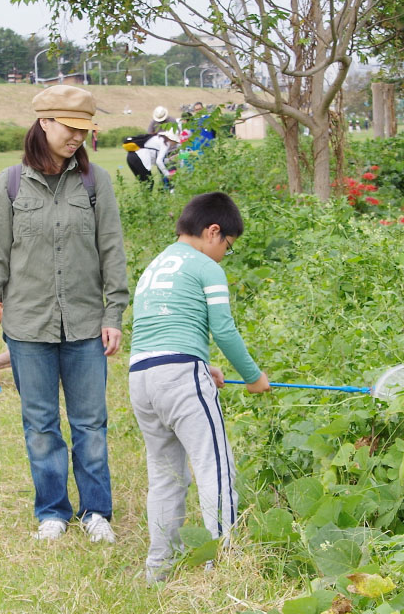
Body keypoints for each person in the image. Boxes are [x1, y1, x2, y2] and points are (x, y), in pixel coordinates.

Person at [0, 84, 128, 543]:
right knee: (40, 425)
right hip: (27, 326)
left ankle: (96, 511)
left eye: (85, 129)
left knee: (90, 424)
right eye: (70, 128)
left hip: (84, 325)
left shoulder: (96, 183)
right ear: (45, 123)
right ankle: (52, 511)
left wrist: (113, 313)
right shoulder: (11, 182)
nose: (77, 137)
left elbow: (112, 252)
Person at [128, 192, 271, 583]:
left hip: (141, 376)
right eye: (228, 245)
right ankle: (224, 563)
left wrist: (201, 365)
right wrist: (255, 377)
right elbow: (222, 328)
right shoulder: (206, 267)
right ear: (213, 231)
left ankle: (158, 567)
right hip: (179, 375)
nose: (226, 253)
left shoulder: (156, 265)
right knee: (215, 467)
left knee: (164, 475)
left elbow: (161, 328)